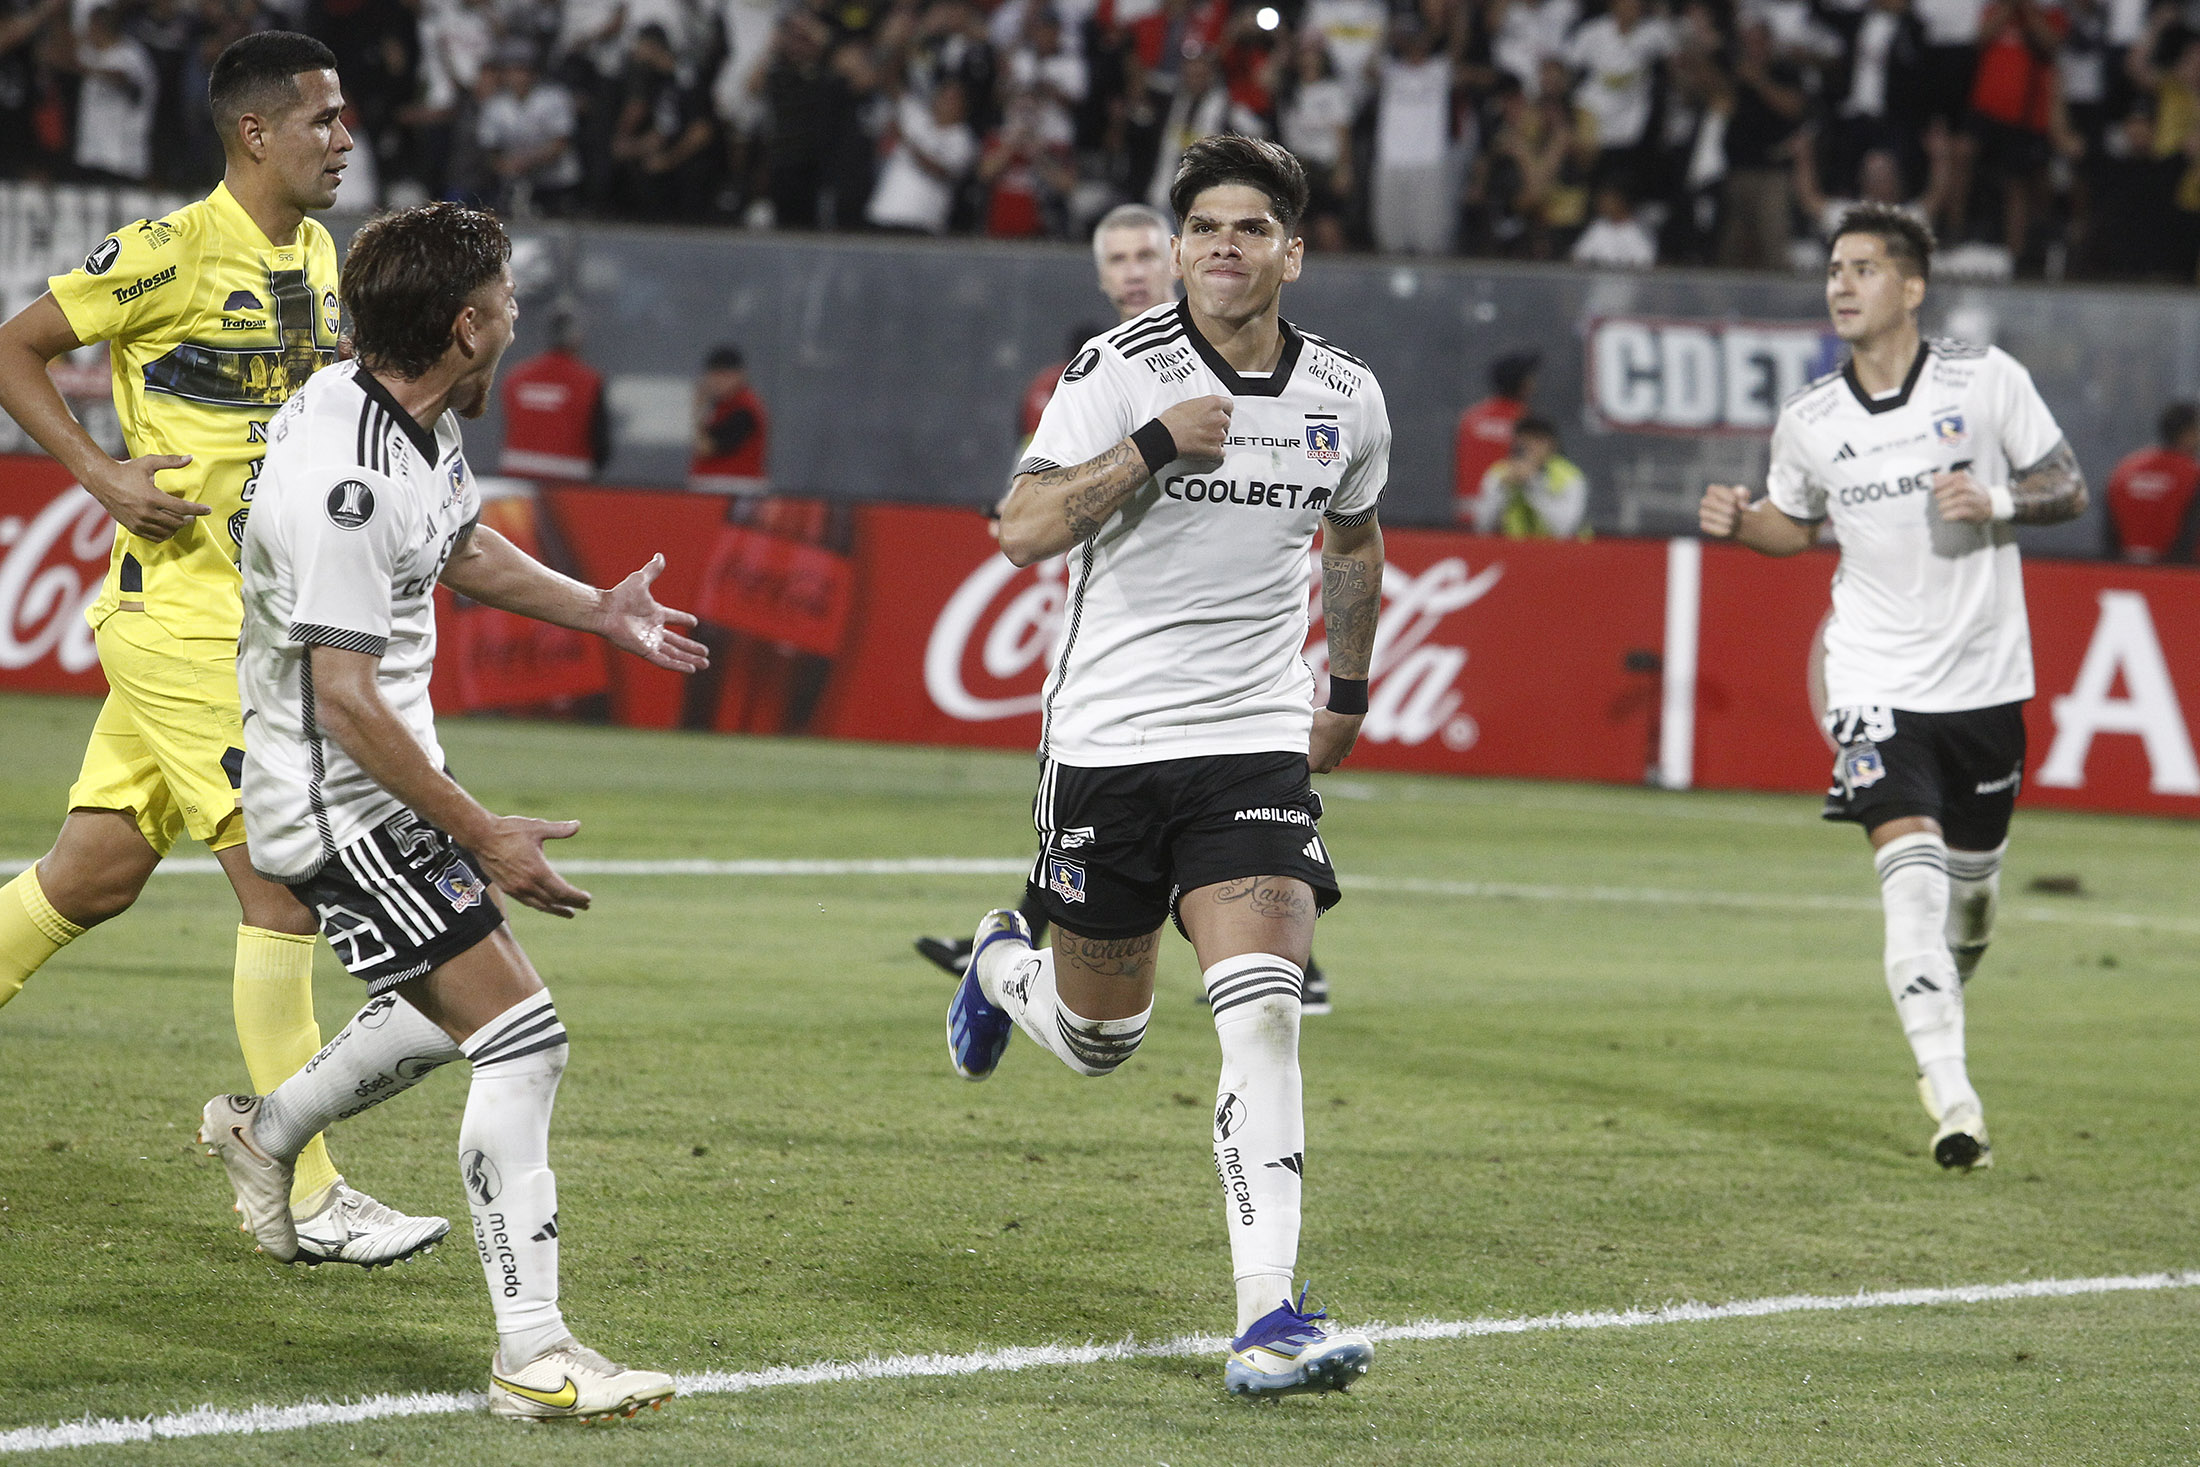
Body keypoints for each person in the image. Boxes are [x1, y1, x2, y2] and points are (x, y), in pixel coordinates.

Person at [203, 200, 709, 1421]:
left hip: (376, 787)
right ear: (470, 326)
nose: (520, 315)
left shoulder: (399, 418)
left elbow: (461, 544)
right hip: (341, 806)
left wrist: (594, 606)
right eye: (511, 298)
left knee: (441, 1016)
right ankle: (533, 1356)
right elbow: (344, 697)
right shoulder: (348, 483)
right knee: (523, 1039)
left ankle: (264, 1135)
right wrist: (482, 830)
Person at [946, 135, 1386, 1397]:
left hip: (1250, 740)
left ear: (1291, 253)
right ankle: (1002, 963)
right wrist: (1149, 447)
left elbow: (1353, 541)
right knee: (1100, 1040)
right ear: (1180, 250)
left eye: (1251, 228)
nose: (1224, 247)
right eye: (1205, 229)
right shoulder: (1117, 373)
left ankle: (1268, 1319)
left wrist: (1343, 689)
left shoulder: (1345, 396)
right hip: (1108, 745)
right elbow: (1019, 530)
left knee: (1261, 1010)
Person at [0, 30, 443, 1267]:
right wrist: (98, 474)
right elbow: (14, 344)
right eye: (326, 120)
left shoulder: (317, 253)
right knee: (283, 885)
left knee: (90, 875)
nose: (347, 139)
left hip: (254, 619)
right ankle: (302, 1189)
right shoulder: (169, 251)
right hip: (184, 618)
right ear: (258, 133)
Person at [1698, 204, 2088, 1172]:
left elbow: (2070, 485)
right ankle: (1953, 1101)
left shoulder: (1985, 380)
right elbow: (1796, 525)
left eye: (1862, 268)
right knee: (1906, 887)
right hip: (1871, 676)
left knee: (1971, 903)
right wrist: (1745, 523)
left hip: (1985, 684)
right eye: (1833, 267)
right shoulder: (1811, 420)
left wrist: (1995, 499)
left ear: (1910, 287)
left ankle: (1946, 991)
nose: (1839, 283)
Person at [917, 200, 1338, 1015]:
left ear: (1174, 256)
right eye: (1118, 260)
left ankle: (1280, 959)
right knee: (1109, 800)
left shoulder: (1263, 358)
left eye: (1147, 253)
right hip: (1121, 622)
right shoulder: (1087, 372)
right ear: (1102, 274)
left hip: (1237, 652)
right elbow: (1031, 504)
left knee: (1246, 789)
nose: (1135, 271)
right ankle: (1024, 948)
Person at [498, 304, 609, 481]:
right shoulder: (589, 381)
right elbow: (600, 440)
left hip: (518, 479)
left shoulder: (516, 378)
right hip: (571, 480)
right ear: (576, 337)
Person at [2103, 400, 2200, 562]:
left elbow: (2110, 534)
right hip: (2177, 575)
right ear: (2189, 432)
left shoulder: (2125, 469)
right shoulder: (2192, 475)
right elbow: (2190, 535)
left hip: (2123, 573)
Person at [1470, 416, 1590, 536]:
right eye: (1525, 440)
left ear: (1552, 445)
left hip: (1559, 551)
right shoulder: (1500, 473)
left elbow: (1564, 529)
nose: (1531, 447)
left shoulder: (1570, 477)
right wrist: (1503, 489)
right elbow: (1482, 526)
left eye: (1538, 441)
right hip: (1513, 550)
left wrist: (1532, 484)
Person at [1454, 349, 1538, 515]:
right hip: (1507, 521)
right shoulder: (1527, 423)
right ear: (1522, 384)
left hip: (1463, 520)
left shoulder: (1470, 419)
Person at [689, 344, 770, 493]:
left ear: (741, 375)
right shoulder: (720, 405)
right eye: (714, 375)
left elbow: (706, 447)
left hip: (734, 490)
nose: (718, 382)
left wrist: (697, 410)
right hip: (716, 488)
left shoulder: (744, 409)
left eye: (725, 375)